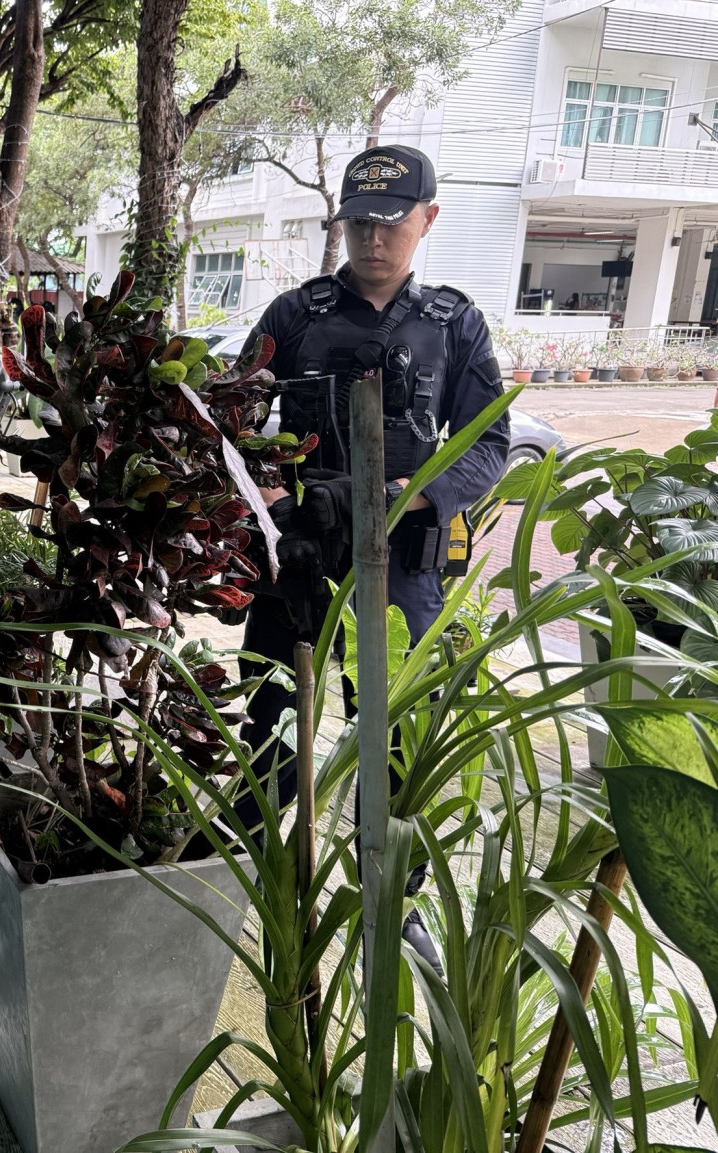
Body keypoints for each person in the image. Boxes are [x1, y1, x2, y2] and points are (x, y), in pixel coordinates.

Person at [237, 144, 510, 968]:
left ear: (428, 219)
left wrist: (403, 495)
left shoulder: (453, 324)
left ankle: (392, 902)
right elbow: (231, 418)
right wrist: (275, 502)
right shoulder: (295, 315)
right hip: (300, 559)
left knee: (392, 738)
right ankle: (247, 868)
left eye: (391, 223)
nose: (374, 239)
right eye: (358, 223)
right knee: (271, 715)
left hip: (401, 571)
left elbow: (487, 443)